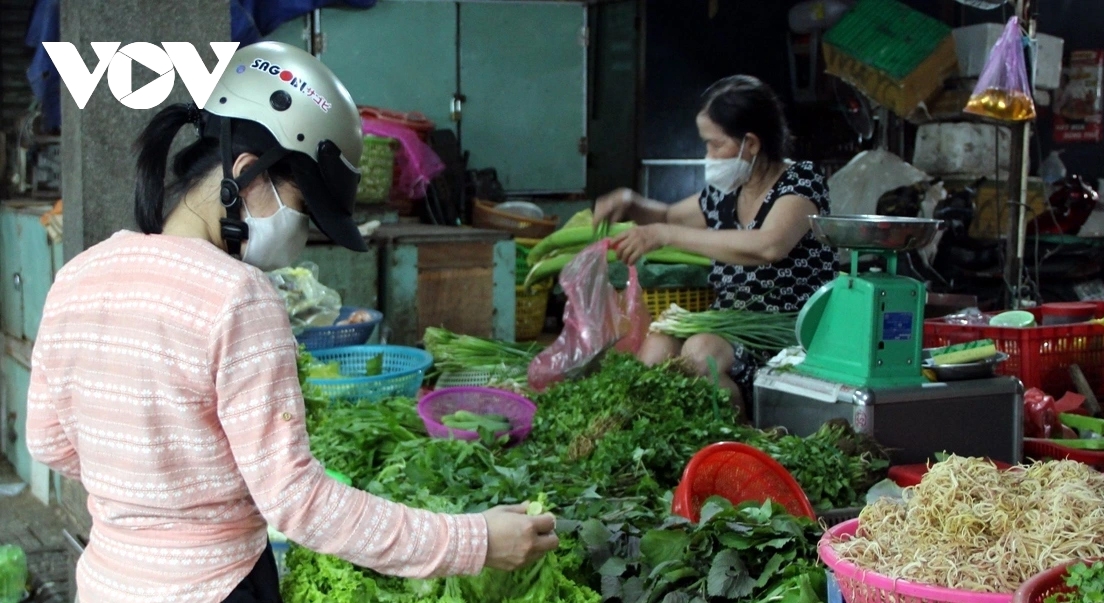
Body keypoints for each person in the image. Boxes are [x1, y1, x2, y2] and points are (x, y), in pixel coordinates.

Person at [25, 42, 557, 603]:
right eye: (303, 210)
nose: (300, 236)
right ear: (246, 173)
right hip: (217, 587)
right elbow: (297, 501)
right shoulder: (238, 296)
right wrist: (474, 540)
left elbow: (48, 442)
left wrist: (148, 490)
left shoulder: (78, 275)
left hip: (106, 583)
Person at [593, 75, 837, 417]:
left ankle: (739, 442)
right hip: (730, 325)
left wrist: (665, 235)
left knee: (700, 351)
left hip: (786, 334)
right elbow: (668, 215)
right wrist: (630, 202)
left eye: (715, 144)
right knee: (656, 347)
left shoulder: (801, 182)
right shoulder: (726, 192)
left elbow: (769, 245)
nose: (708, 156)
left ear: (751, 144)